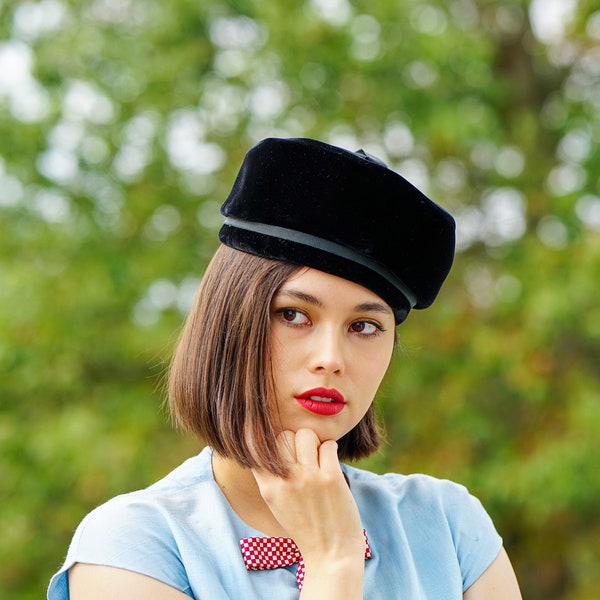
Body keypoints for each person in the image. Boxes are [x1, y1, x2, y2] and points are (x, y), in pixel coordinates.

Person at [48, 137, 522, 599]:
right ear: (229, 322)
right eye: (293, 314)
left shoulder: (448, 526)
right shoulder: (132, 548)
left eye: (364, 326)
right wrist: (332, 559)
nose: (331, 359)